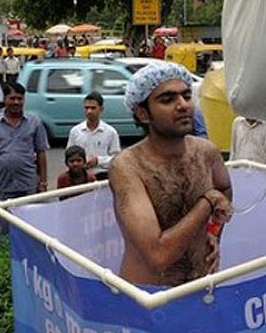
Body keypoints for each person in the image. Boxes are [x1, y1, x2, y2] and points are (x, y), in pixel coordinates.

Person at [110, 62, 233, 286]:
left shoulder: (207, 152)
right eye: (168, 99)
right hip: (150, 300)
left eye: (186, 96)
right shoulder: (128, 167)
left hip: (202, 288)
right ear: (142, 113)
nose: (183, 105)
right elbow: (159, 255)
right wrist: (208, 201)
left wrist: (214, 232)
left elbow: (224, 190)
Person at [0, 82, 49, 236]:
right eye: (12, 98)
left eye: (20, 98)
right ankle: (4, 258)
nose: (16, 102)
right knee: (4, 228)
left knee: (29, 228)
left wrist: (43, 182)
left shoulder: (34, 123)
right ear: (4, 100)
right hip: (3, 184)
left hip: (27, 184)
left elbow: (41, 153)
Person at [66, 92, 121, 181]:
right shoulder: (75, 132)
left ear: (101, 109)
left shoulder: (110, 132)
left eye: (93, 108)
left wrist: (98, 161)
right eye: (86, 108)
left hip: (102, 175)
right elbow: (69, 156)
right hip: (81, 177)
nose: (89, 111)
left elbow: (116, 159)